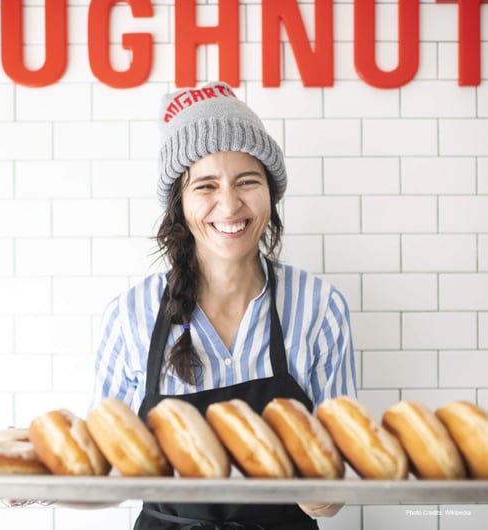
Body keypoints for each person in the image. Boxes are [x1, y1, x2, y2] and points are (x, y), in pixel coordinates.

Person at [91, 81, 358, 529]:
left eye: (247, 181)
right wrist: (26, 486)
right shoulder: (130, 315)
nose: (229, 205)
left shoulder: (319, 307)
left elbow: (341, 471)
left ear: (270, 193)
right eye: (206, 185)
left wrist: (324, 495)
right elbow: (98, 461)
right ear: (180, 201)